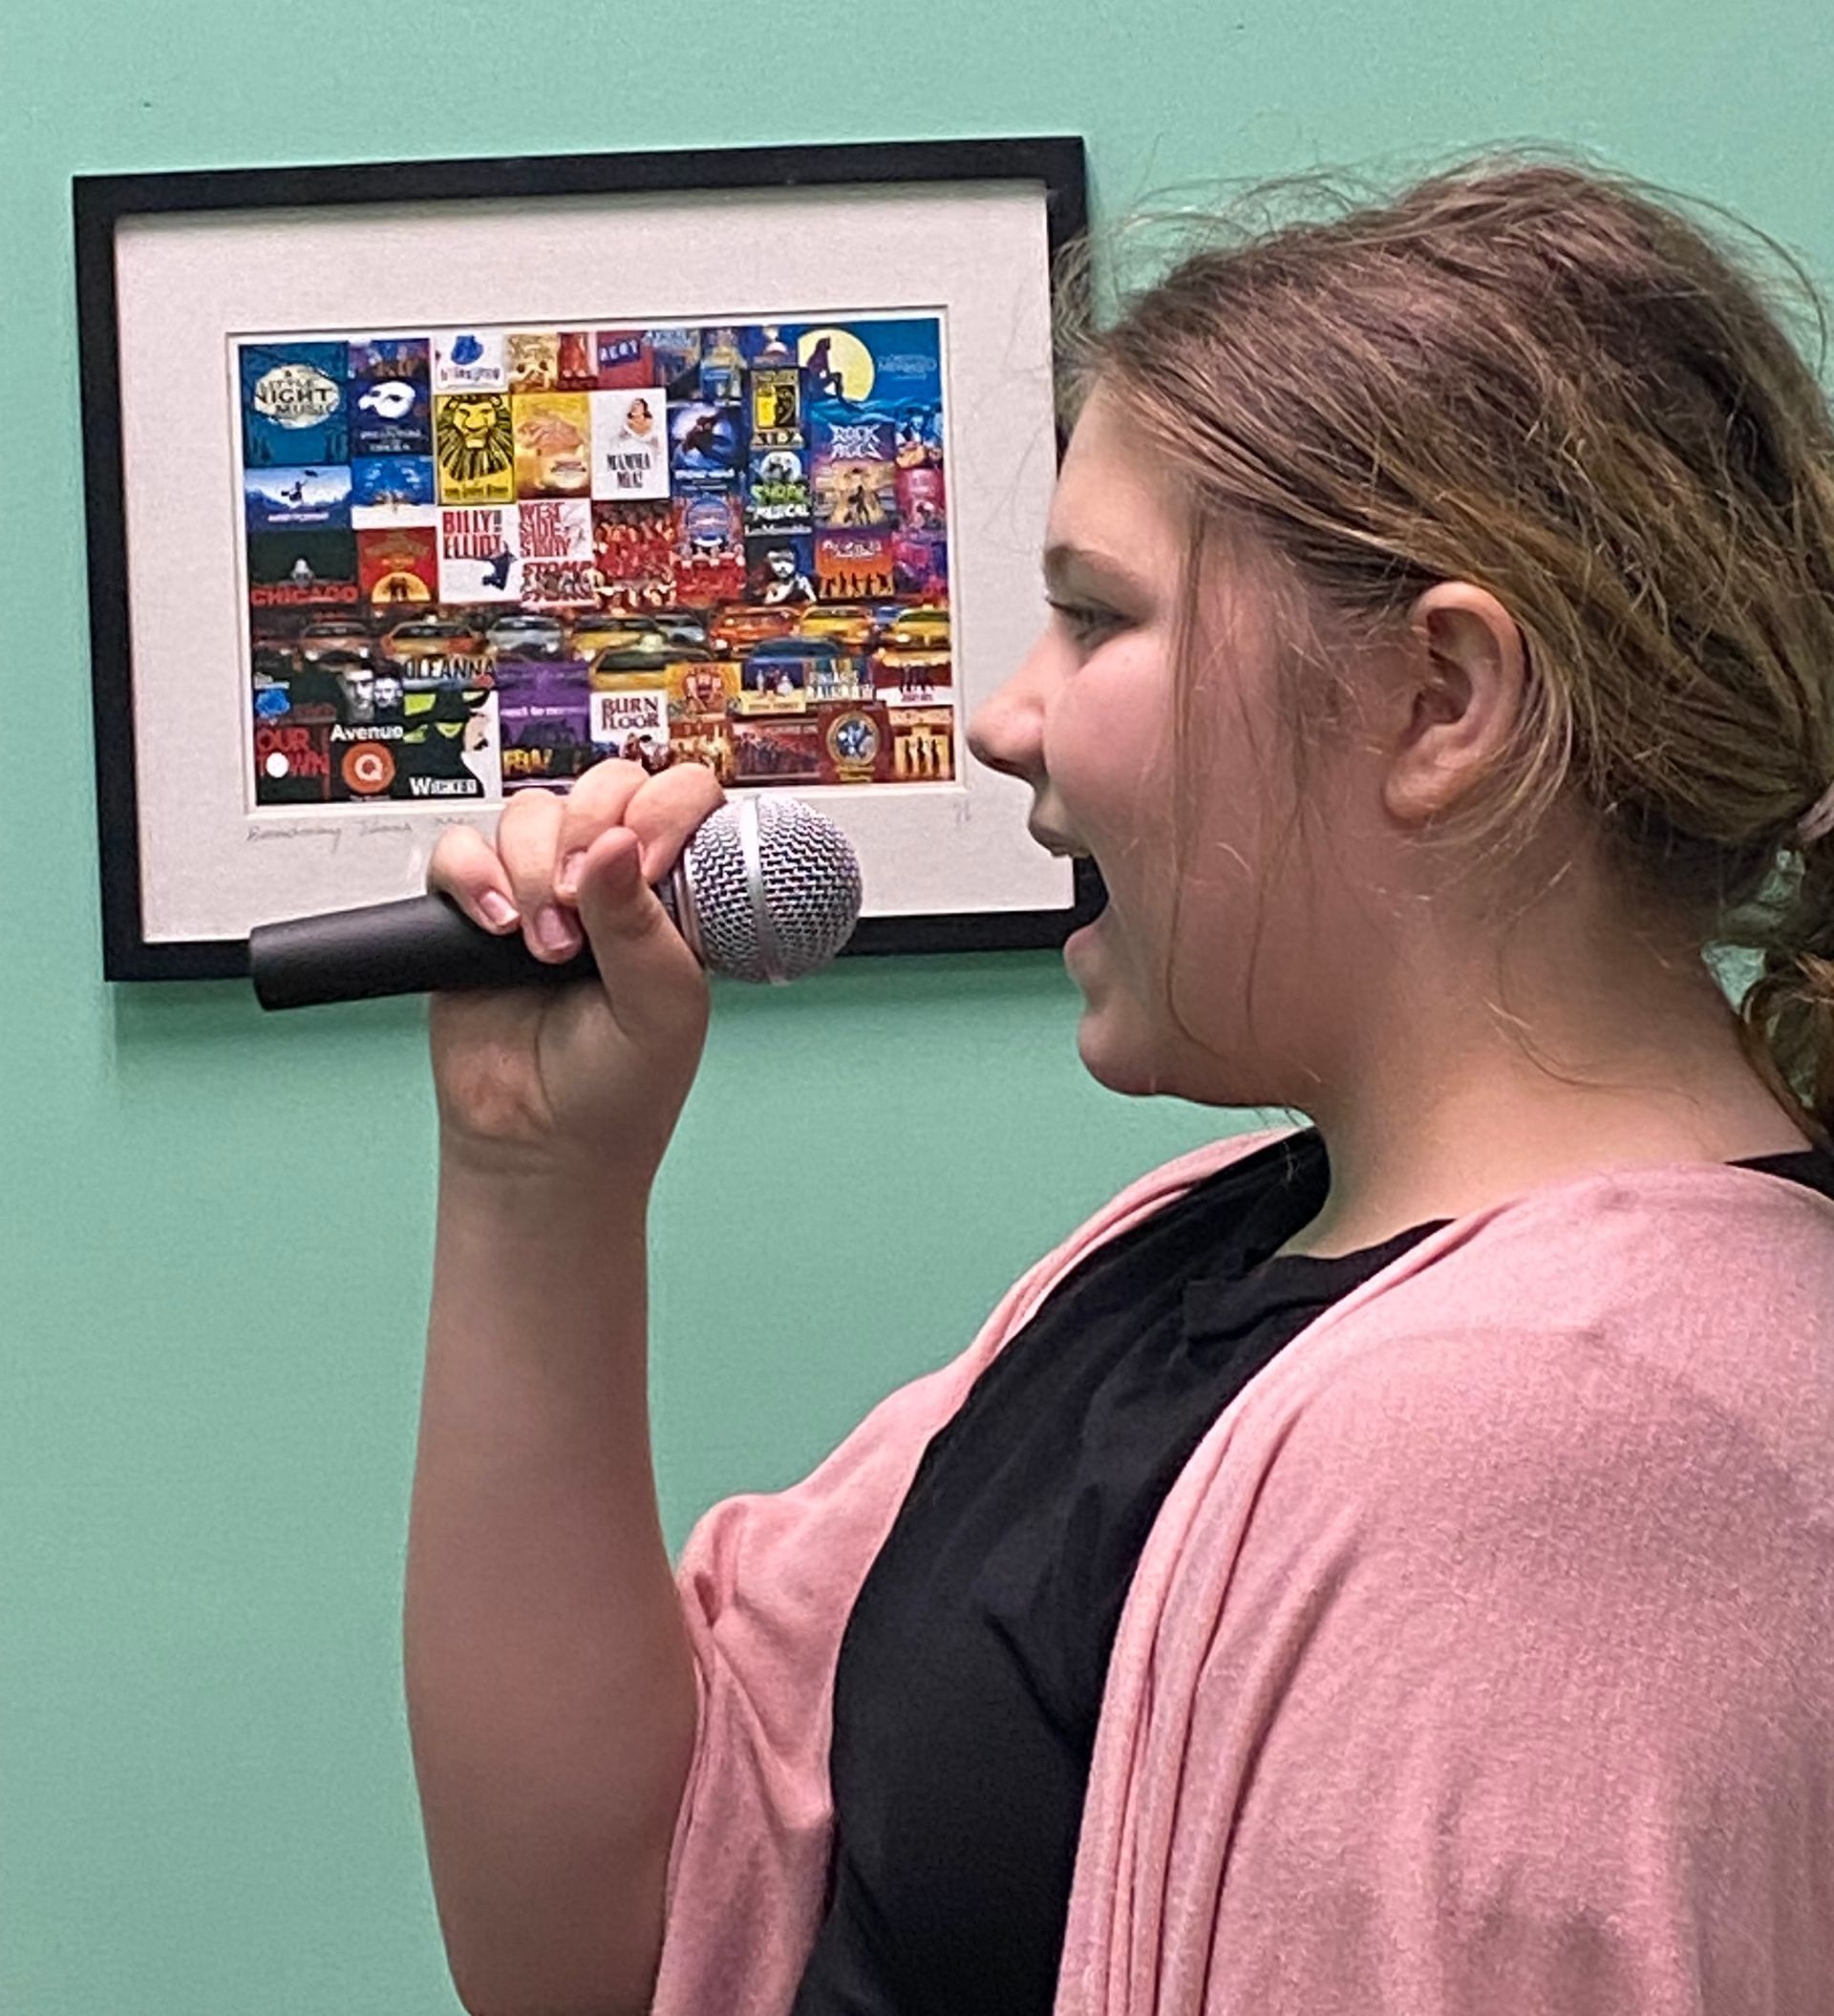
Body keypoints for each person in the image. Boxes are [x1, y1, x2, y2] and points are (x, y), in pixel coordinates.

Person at [404, 156, 1834, 2016]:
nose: (1009, 715)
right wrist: (537, 1180)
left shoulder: (1536, 1454)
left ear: (1443, 703)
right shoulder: (1202, 1259)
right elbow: (618, 1941)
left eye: (1096, 614)